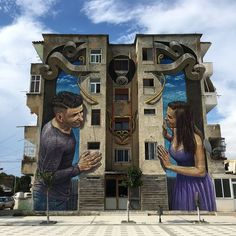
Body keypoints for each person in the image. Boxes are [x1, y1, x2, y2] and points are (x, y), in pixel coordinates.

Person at [33, 91, 102, 211]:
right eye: (75, 115)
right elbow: (47, 177)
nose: (81, 118)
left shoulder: (59, 125)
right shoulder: (55, 141)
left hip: (56, 196)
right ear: (60, 117)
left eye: (81, 112)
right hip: (50, 199)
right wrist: (79, 168)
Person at [157, 101, 216, 211]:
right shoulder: (175, 131)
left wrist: (170, 166)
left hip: (195, 186)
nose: (166, 119)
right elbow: (180, 148)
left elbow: (201, 171)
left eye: (169, 117)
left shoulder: (196, 140)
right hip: (181, 182)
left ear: (180, 120)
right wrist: (166, 136)